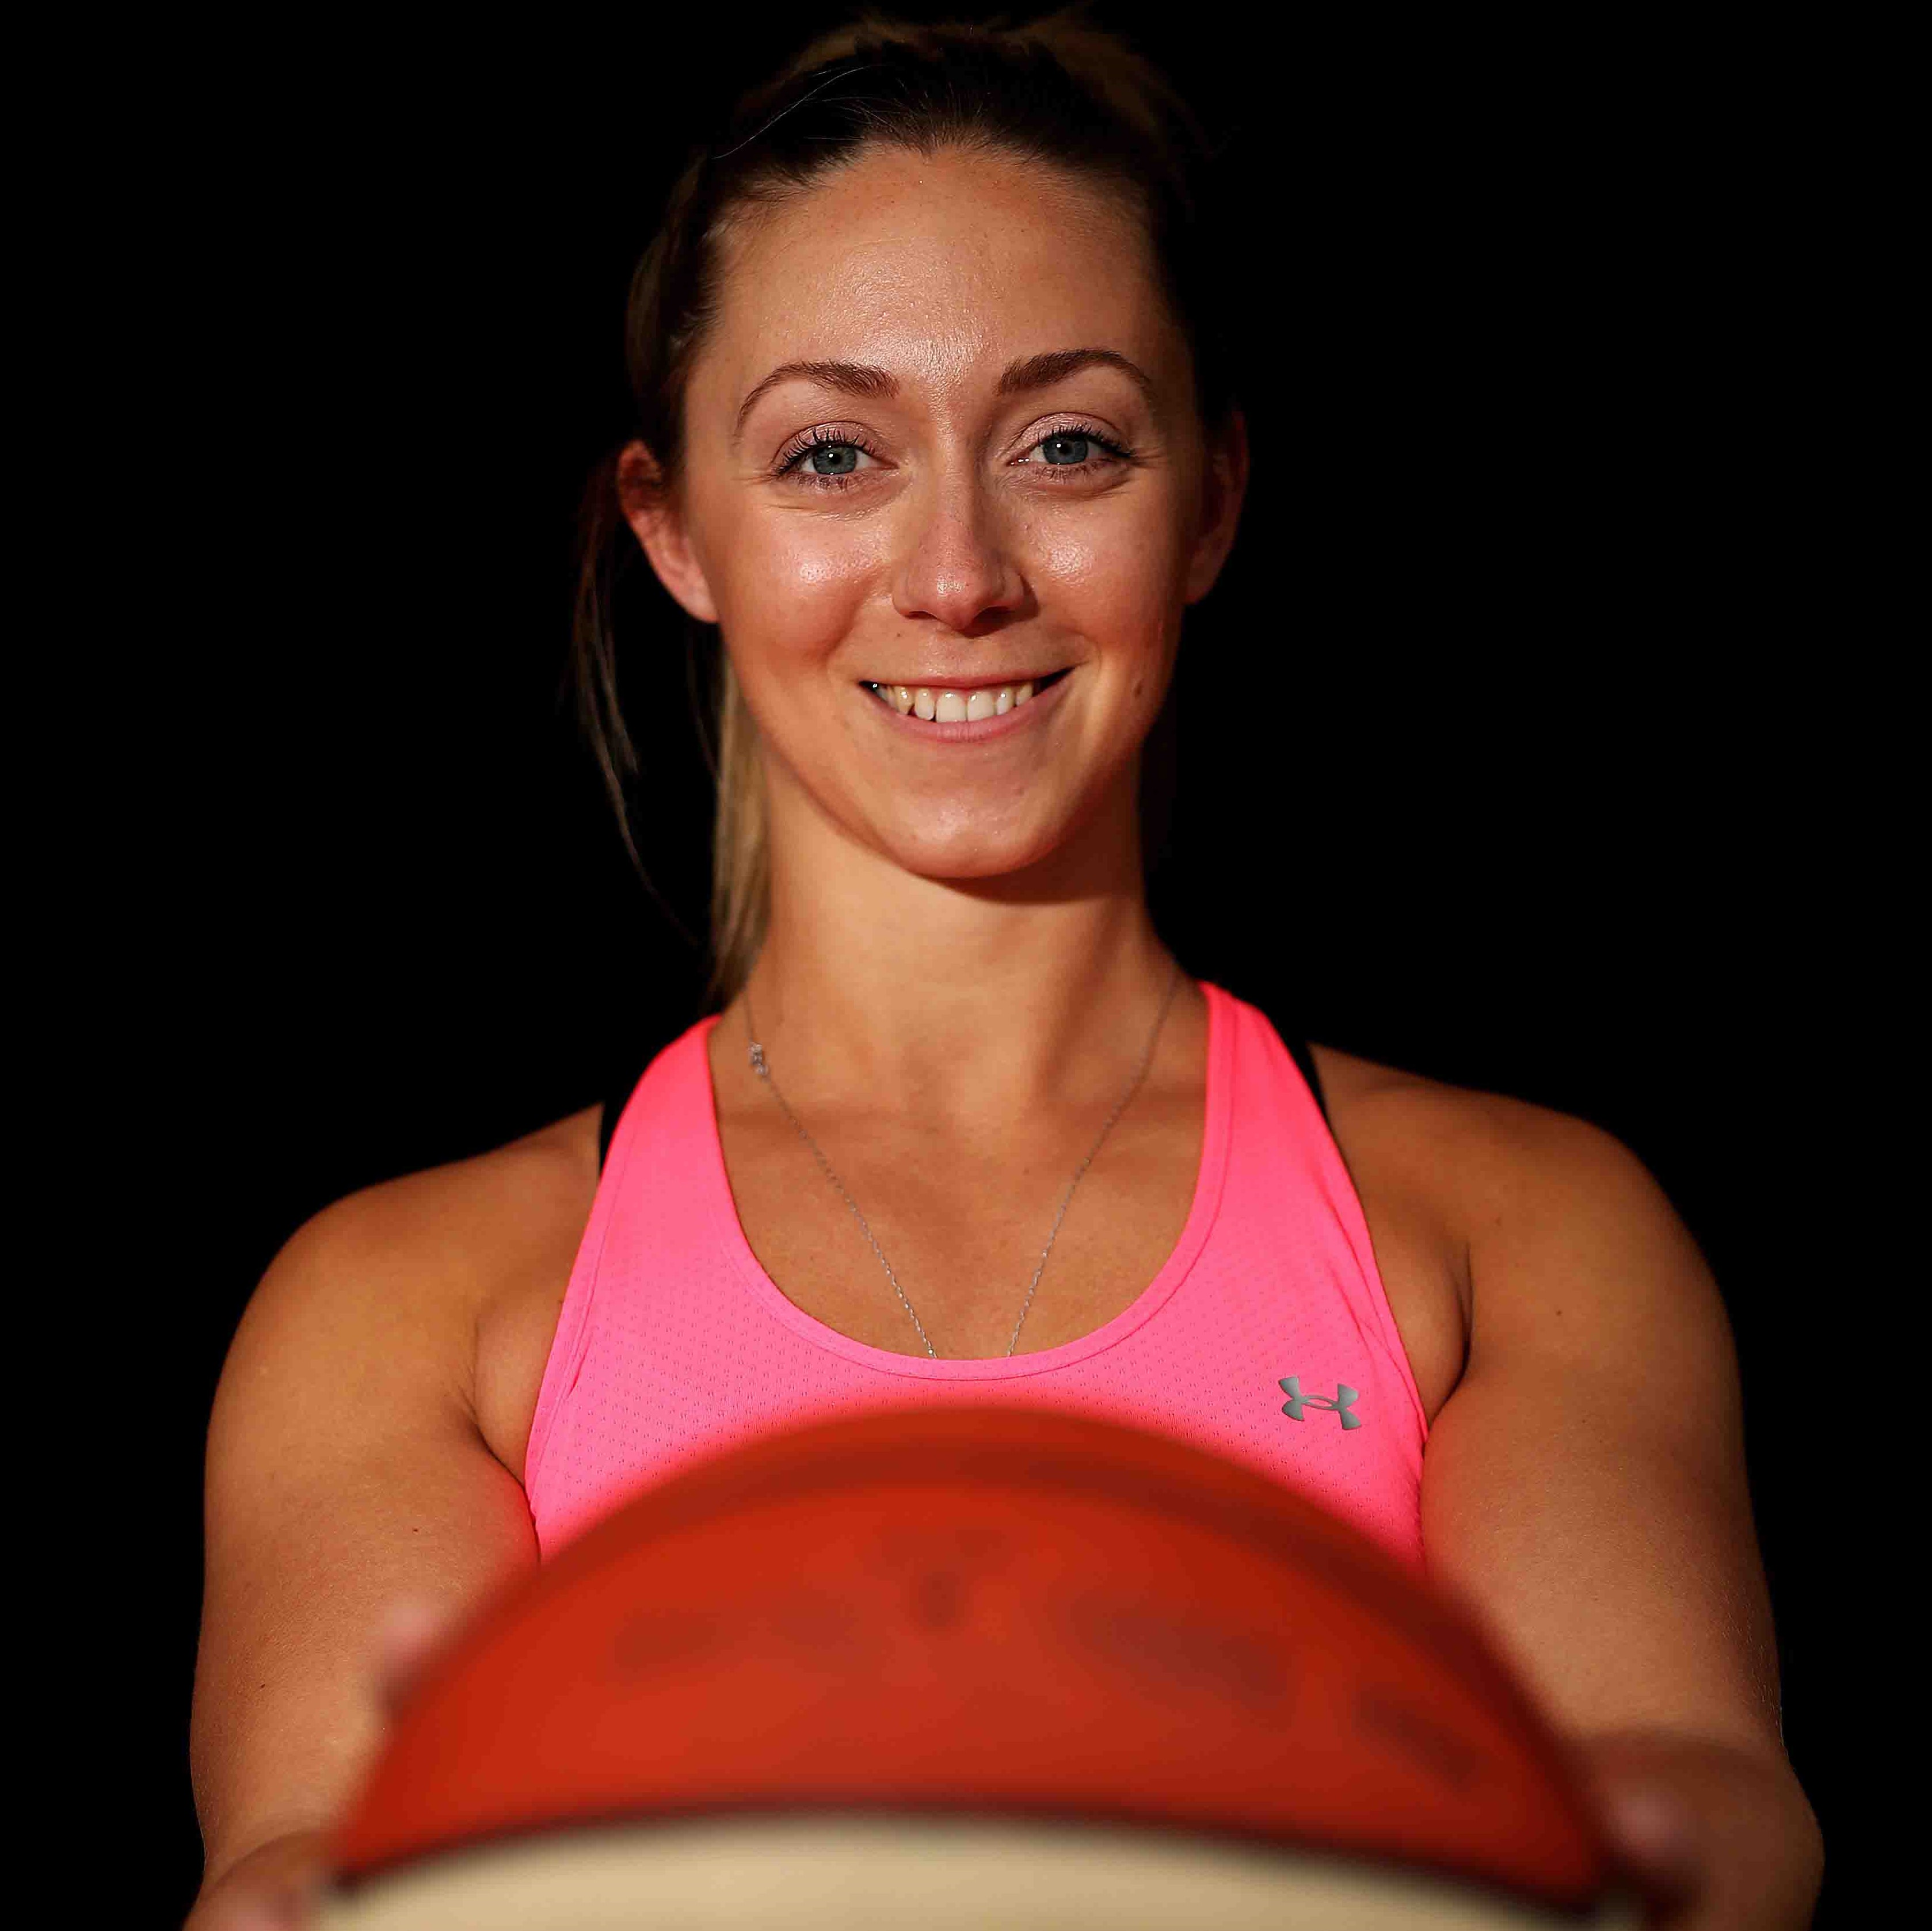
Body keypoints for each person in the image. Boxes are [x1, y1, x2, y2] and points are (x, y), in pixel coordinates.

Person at [186, 12, 1823, 1927]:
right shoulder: (405, 1307)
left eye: (1067, 443)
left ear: (1207, 500)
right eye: (829, 455)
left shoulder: (1518, 1234)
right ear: (673, 529)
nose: (958, 572)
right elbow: (304, 1867)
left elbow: (1689, 1806)